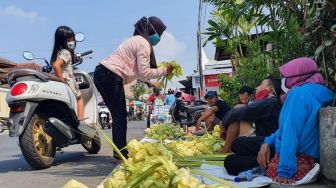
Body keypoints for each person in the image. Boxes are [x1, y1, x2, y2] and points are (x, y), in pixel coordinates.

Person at [225, 58, 334, 185]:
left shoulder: (298, 94)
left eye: (286, 76)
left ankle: (266, 164)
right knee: (238, 144)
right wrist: (267, 142)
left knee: (230, 161)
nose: (283, 80)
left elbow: (290, 133)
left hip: (295, 155)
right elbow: (287, 128)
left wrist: (284, 172)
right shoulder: (324, 92)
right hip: (303, 150)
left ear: (296, 77)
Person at [94, 16, 172, 159]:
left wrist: (152, 82)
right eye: (159, 34)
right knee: (120, 116)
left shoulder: (136, 40)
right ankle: (121, 154)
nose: (158, 38)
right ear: (151, 31)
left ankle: (119, 152)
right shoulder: (143, 43)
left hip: (102, 74)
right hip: (110, 75)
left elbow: (140, 74)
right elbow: (145, 72)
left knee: (118, 116)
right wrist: (164, 70)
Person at [221, 76, 282, 153]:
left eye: (261, 84)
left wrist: (223, 123)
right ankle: (226, 149)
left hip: (267, 141)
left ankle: (225, 150)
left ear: (269, 89)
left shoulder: (269, 102)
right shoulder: (273, 101)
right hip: (268, 137)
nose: (257, 87)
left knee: (236, 119)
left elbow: (241, 112)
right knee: (237, 114)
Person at [50, 26, 87, 126]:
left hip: (64, 83)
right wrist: (62, 82)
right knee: (80, 98)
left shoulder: (58, 53)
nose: (72, 41)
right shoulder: (66, 52)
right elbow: (56, 65)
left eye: (72, 38)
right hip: (68, 82)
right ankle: (81, 122)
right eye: (68, 39)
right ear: (62, 41)